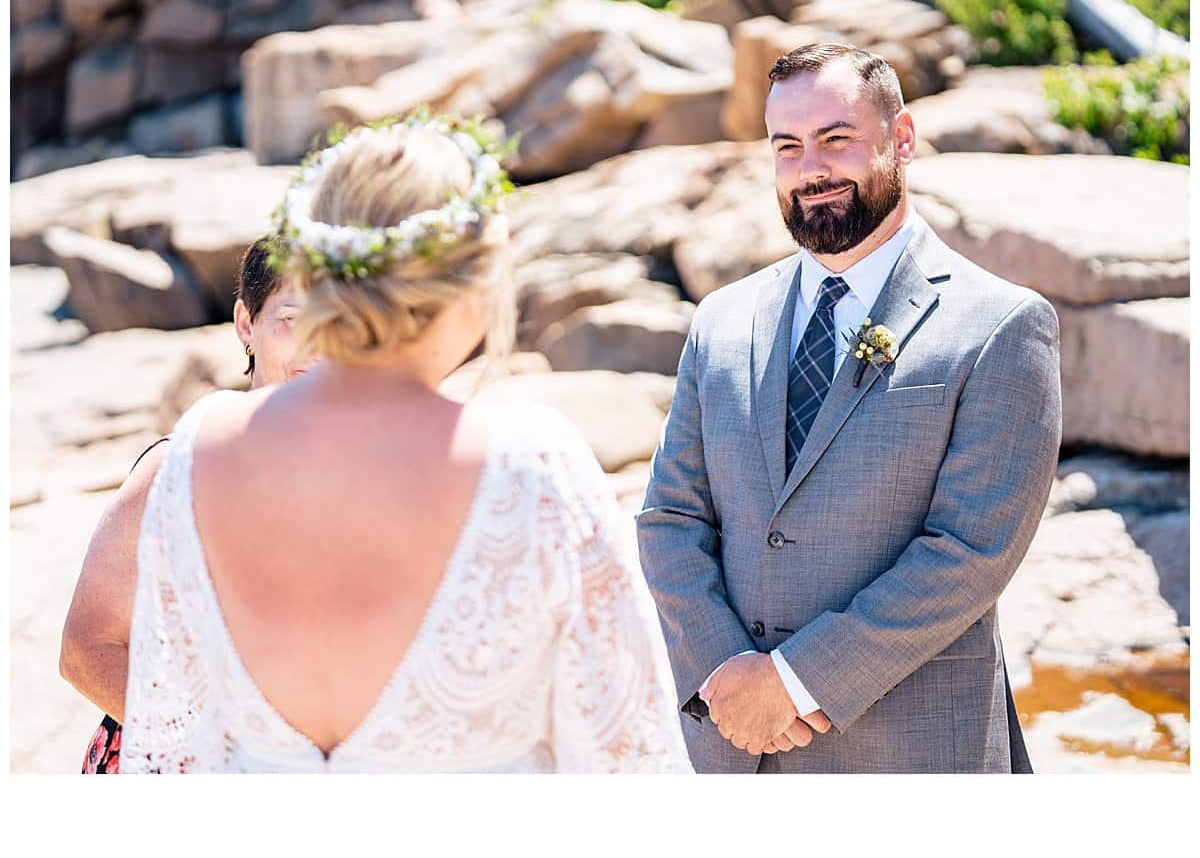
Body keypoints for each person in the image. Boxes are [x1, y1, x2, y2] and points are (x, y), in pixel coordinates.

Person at [113, 113, 690, 773]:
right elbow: (631, 767)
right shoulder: (533, 464)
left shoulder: (197, 452)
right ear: (470, 284)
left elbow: (177, 748)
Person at [637, 43, 1062, 773]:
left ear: (902, 139)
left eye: (836, 139)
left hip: (911, 760)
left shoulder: (1002, 325)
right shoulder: (722, 319)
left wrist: (795, 683)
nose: (812, 170)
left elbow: (968, 552)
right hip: (732, 749)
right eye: (788, 147)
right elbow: (671, 519)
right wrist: (727, 674)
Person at [63, 235, 316, 773]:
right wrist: (218, 757)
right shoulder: (176, 468)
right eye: (292, 320)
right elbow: (86, 651)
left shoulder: (367, 476)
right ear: (246, 325)